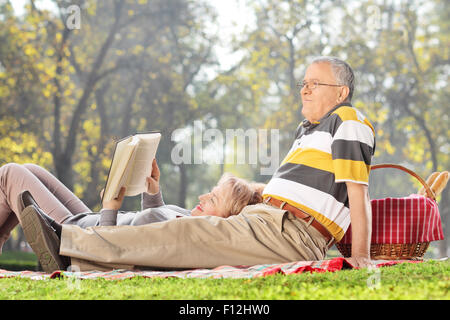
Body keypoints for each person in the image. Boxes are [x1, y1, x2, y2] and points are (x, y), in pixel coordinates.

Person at [19, 56, 376, 272]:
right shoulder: (309, 131)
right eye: (304, 83)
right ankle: (74, 249)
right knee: (184, 234)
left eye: (316, 83)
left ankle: (67, 242)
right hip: (265, 221)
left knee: (184, 232)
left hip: (292, 233)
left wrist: (360, 256)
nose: (305, 89)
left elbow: (358, 194)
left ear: (341, 93)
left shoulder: (348, 121)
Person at [0, 159, 263, 255]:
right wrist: (153, 190)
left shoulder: (192, 233)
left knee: (9, 175)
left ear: (221, 219)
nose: (203, 196)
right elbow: (154, 222)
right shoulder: (190, 220)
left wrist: (110, 208)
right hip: (90, 221)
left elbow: (112, 250)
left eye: (213, 199)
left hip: (76, 235)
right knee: (30, 170)